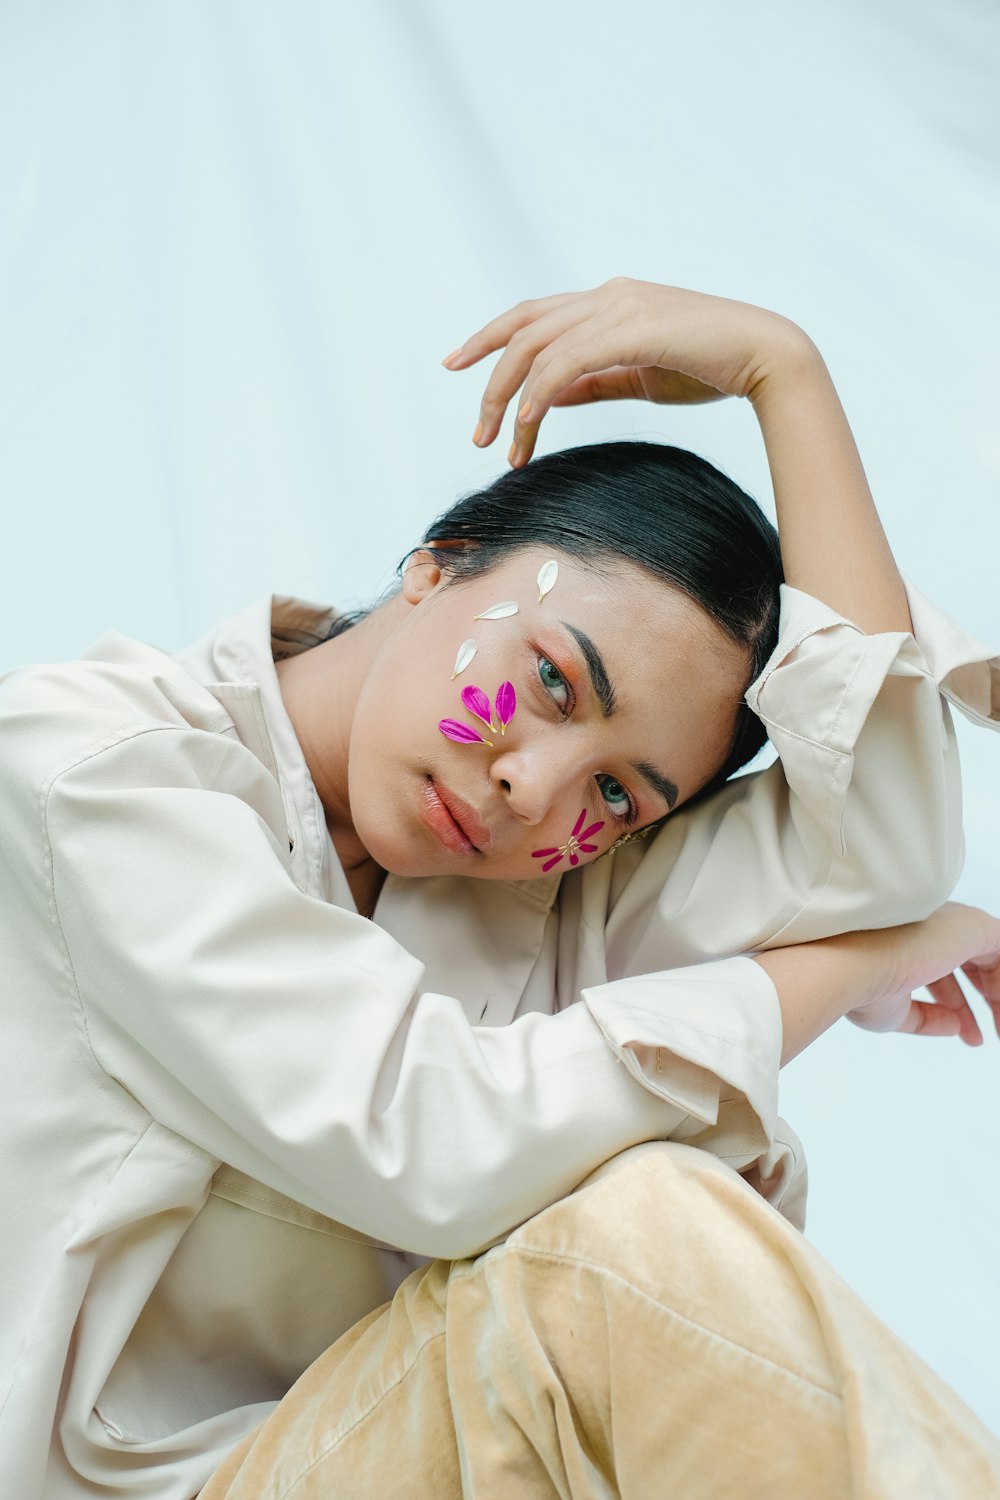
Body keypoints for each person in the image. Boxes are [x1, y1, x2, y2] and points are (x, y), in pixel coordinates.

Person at [1, 279, 998, 1499]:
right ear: (435, 563)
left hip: (385, 1453)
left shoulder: (529, 880)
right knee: (623, 1234)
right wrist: (850, 969)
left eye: (620, 796)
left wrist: (781, 372)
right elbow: (434, 1139)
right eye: (552, 684)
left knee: (632, 1223)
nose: (537, 791)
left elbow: (879, 851)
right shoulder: (96, 770)